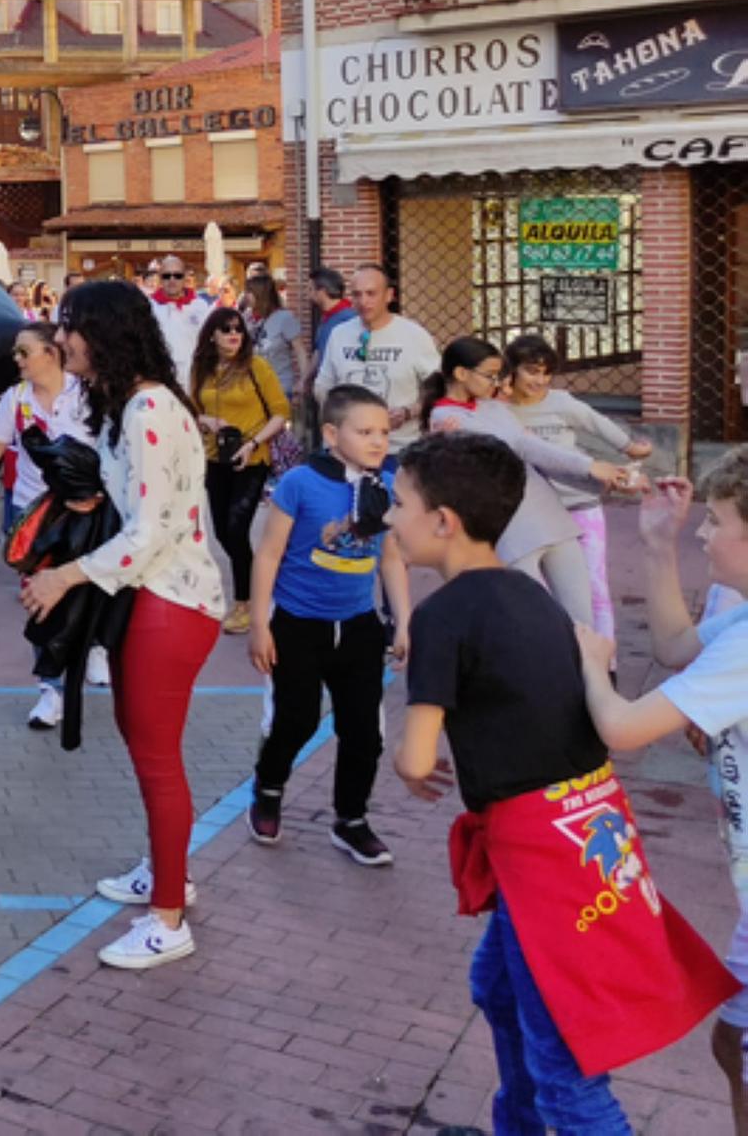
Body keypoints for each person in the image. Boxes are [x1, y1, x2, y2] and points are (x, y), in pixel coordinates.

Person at [391, 434, 734, 1135]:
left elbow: (415, 758)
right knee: (497, 987)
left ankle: (530, 1118)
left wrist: (416, 764)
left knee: (568, 1075)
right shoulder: (530, 589)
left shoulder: (441, 616)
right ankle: (514, 1123)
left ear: (443, 520)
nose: (390, 518)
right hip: (583, 827)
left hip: (542, 858)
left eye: (400, 504)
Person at [25, 281, 226, 969]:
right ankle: (165, 872)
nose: (60, 341)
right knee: (148, 748)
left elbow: (153, 529)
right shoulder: (139, 405)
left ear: (105, 333)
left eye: (70, 328)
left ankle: (167, 916)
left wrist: (64, 574)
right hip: (161, 599)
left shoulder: (146, 408)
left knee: (156, 757)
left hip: (170, 601)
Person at [572, 456, 748, 1131]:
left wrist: (594, 663)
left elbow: (623, 728)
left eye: (716, 522)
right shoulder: (738, 622)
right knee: (731, 1041)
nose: (705, 534)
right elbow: (676, 645)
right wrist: (656, 541)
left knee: (737, 1043)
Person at [246, 385, 411, 864]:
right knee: (293, 720)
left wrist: (403, 621)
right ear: (332, 433)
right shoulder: (300, 483)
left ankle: (351, 819)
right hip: (298, 624)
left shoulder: (386, 486)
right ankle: (269, 789)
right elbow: (269, 555)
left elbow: (392, 558)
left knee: (364, 730)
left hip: (358, 625)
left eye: (383, 431)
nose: (377, 441)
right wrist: (260, 624)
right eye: (365, 432)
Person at [421, 336, 640, 628]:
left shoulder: (491, 407)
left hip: (549, 516)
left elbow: (538, 454)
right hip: (514, 528)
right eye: (489, 376)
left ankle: (594, 671)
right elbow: (522, 447)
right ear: (461, 374)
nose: (496, 384)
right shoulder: (447, 418)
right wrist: (590, 467)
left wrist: (600, 478)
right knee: (535, 620)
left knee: (581, 616)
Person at [0, 321, 94, 725]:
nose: (16, 360)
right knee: (38, 600)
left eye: (23, 352)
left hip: (88, 510)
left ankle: (92, 648)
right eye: (15, 352)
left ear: (51, 352)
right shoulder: (14, 400)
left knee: (87, 589)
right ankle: (50, 689)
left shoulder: (86, 393)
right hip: (36, 513)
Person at [504, 333, 653, 645]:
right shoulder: (499, 409)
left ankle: (604, 659)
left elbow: (597, 423)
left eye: (546, 373)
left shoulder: (561, 403)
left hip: (579, 506)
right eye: (532, 371)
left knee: (594, 587)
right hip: (529, 514)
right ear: (512, 370)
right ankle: (557, 654)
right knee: (537, 590)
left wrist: (628, 447)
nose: (540, 380)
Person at [190, 307, 290, 635]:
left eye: (238, 330)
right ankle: (261, 580)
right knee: (221, 531)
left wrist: (253, 442)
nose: (234, 335)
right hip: (215, 458)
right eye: (226, 329)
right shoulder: (203, 369)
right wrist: (206, 421)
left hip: (251, 457)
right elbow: (192, 409)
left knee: (236, 528)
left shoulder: (256, 366)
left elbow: (280, 412)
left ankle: (246, 602)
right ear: (212, 335)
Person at [312, 263, 438, 460]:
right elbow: (323, 387)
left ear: (389, 295)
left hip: (397, 450)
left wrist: (409, 412)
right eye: (357, 294)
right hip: (347, 452)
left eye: (371, 293)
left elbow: (437, 388)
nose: (364, 301)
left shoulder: (414, 336)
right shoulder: (339, 334)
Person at [148, 254, 212, 389]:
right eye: (166, 276)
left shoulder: (200, 306)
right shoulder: (149, 307)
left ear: (184, 278)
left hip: (193, 378)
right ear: (160, 278)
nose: (172, 280)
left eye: (177, 275)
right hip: (161, 379)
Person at [241, 273, 308, 403]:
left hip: (280, 387)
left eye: (250, 292)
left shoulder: (284, 318)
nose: (246, 296)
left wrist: (303, 381)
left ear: (261, 294)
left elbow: (300, 351)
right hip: (253, 389)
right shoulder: (246, 318)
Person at [309, 267, 354, 367]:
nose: (309, 295)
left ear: (321, 292)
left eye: (311, 289)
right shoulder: (326, 317)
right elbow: (319, 351)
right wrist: (304, 379)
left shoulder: (349, 319)